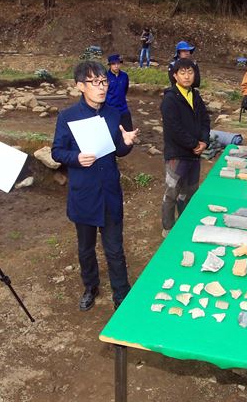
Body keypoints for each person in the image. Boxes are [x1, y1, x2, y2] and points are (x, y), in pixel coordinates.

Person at [51, 61, 140, 311]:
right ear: (80, 86)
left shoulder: (115, 113)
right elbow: (57, 151)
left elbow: (119, 151)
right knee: (86, 249)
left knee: (115, 249)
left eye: (104, 82)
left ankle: (121, 295)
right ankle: (90, 286)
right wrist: (76, 158)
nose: (102, 87)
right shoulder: (68, 117)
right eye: (95, 82)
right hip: (84, 194)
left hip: (110, 191)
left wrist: (127, 142)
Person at [161, 58, 210, 237]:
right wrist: (194, 144)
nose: (187, 76)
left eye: (190, 72)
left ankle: (185, 222)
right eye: (182, 73)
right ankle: (168, 228)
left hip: (194, 155)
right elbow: (175, 128)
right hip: (177, 154)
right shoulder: (170, 99)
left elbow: (205, 120)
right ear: (175, 76)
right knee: (172, 192)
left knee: (190, 191)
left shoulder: (195, 95)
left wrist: (204, 141)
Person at [105, 54, 132, 131]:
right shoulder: (105, 77)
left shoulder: (125, 76)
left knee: (128, 130)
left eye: (118, 63)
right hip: (110, 108)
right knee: (112, 131)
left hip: (123, 107)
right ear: (110, 65)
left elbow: (125, 89)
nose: (116, 66)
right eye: (113, 64)